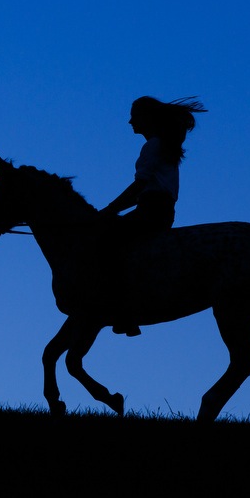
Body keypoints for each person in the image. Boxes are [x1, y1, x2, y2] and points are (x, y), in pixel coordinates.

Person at [99, 96, 207, 336]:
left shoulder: (153, 146)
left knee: (105, 244)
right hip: (162, 211)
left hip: (151, 210)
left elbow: (140, 186)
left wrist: (108, 210)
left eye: (134, 116)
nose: (129, 122)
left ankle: (122, 310)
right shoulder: (165, 146)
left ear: (147, 119)